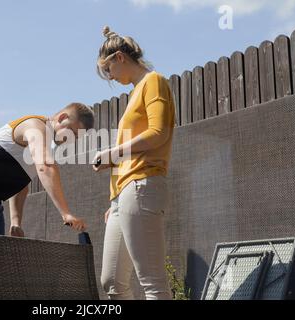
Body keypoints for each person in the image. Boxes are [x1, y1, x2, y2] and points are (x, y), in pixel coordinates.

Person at [93, 26, 175, 300]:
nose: (110, 78)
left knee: (152, 283)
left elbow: (158, 133)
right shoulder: (134, 94)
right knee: (112, 282)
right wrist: (114, 199)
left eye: (108, 70)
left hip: (142, 186)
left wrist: (113, 153)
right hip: (123, 196)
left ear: (119, 58)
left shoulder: (154, 81)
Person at [0, 102, 94, 236]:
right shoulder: (35, 125)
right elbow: (46, 167)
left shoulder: (44, 144)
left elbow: (21, 185)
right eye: (73, 133)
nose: (71, 139)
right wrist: (66, 213)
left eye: (76, 138)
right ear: (62, 118)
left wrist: (15, 221)